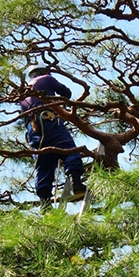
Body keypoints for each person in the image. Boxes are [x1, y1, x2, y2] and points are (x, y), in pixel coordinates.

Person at [20, 64, 86, 206]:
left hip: (33, 130)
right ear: (44, 71)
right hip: (48, 120)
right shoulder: (46, 78)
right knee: (69, 149)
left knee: (43, 163)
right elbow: (66, 93)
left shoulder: (23, 92)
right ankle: (77, 184)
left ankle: (44, 203)